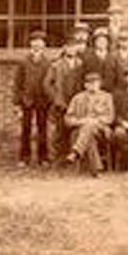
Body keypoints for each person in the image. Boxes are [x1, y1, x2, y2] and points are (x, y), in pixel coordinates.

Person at [13, 29, 52, 167]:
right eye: (34, 42)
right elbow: (17, 83)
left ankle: (43, 157)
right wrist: (17, 103)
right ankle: (24, 157)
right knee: (26, 129)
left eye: (40, 42)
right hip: (27, 100)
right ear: (30, 44)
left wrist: (50, 99)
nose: (37, 45)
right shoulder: (23, 62)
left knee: (42, 129)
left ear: (44, 45)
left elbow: (50, 82)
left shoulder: (47, 63)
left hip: (42, 100)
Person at [64, 71, 114, 177]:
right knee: (89, 134)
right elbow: (68, 119)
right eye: (90, 83)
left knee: (89, 125)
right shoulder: (77, 98)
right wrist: (82, 121)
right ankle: (96, 169)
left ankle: (76, 151)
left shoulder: (107, 97)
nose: (93, 85)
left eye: (96, 83)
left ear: (100, 84)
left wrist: (96, 121)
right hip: (82, 130)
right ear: (85, 85)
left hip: (101, 130)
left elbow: (110, 118)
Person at [43, 34, 84, 164]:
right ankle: (56, 158)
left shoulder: (80, 64)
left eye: (74, 47)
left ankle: (71, 157)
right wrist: (56, 98)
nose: (71, 49)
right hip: (61, 102)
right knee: (59, 130)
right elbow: (47, 84)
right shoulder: (56, 65)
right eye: (69, 47)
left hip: (76, 101)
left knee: (74, 129)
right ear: (64, 48)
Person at [82, 26, 120, 94]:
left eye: (104, 40)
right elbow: (82, 78)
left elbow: (118, 79)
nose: (101, 43)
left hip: (110, 93)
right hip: (92, 93)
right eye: (98, 40)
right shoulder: (87, 59)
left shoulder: (113, 59)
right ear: (94, 42)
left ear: (108, 42)